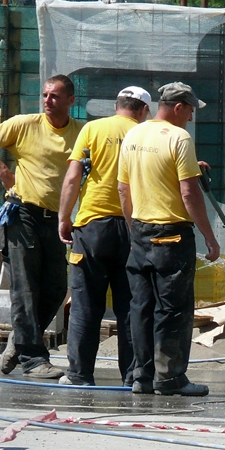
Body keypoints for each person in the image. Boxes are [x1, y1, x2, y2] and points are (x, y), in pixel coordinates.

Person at [0, 74, 83, 378]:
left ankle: (20, 340)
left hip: (55, 219)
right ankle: (33, 358)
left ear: (71, 101)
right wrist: (4, 172)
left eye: (55, 96)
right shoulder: (25, 124)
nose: (48, 100)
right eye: (45, 95)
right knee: (24, 288)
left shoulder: (81, 133)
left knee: (57, 287)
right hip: (23, 214)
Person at [117, 81, 219, 397]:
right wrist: (210, 238)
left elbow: (123, 188)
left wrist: (135, 229)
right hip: (172, 237)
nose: (190, 117)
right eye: (189, 110)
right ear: (178, 107)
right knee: (173, 309)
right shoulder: (179, 137)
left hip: (142, 234)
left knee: (141, 308)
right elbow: (188, 192)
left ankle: (141, 376)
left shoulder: (134, 133)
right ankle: (170, 378)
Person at [56, 86, 152, 386]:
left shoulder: (93, 129)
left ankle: (79, 375)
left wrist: (64, 218)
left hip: (92, 227)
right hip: (133, 227)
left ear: (117, 105)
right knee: (130, 306)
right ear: (143, 110)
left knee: (86, 305)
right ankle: (133, 376)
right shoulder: (147, 134)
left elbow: (73, 176)